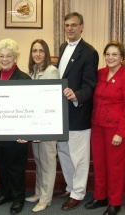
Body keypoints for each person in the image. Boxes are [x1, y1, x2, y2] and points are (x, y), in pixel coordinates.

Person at [53, 12, 98, 211]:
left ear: (81, 27)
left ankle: (78, 193)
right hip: (60, 114)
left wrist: (76, 95)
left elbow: (90, 85)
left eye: (73, 25)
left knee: (78, 156)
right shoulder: (63, 47)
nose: (69, 29)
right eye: (67, 25)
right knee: (63, 152)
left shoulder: (89, 52)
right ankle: (70, 187)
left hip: (77, 112)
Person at [85, 41, 125, 215]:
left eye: (115, 54)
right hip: (97, 126)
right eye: (108, 54)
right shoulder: (100, 73)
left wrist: (121, 133)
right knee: (99, 163)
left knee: (115, 167)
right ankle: (100, 197)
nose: (110, 57)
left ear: (122, 57)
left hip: (115, 130)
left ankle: (115, 202)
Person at [0, 38, 32, 215]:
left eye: (9, 56)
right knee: (2, 164)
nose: (4, 59)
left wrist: (27, 132)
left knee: (16, 167)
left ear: (15, 58)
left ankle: (18, 197)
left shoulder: (24, 78)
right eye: (1, 56)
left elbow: (30, 108)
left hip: (18, 134)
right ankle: (5, 193)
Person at [22, 39, 59, 212]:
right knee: (38, 160)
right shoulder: (32, 71)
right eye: (34, 50)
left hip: (47, 125)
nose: (37, 54)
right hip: (34, 124)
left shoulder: (52, 71)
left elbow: (50, 101)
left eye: (41, 51)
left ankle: (46, 198)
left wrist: (42, 129)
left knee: (48, 162)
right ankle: (38, 192)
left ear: (46, 53)